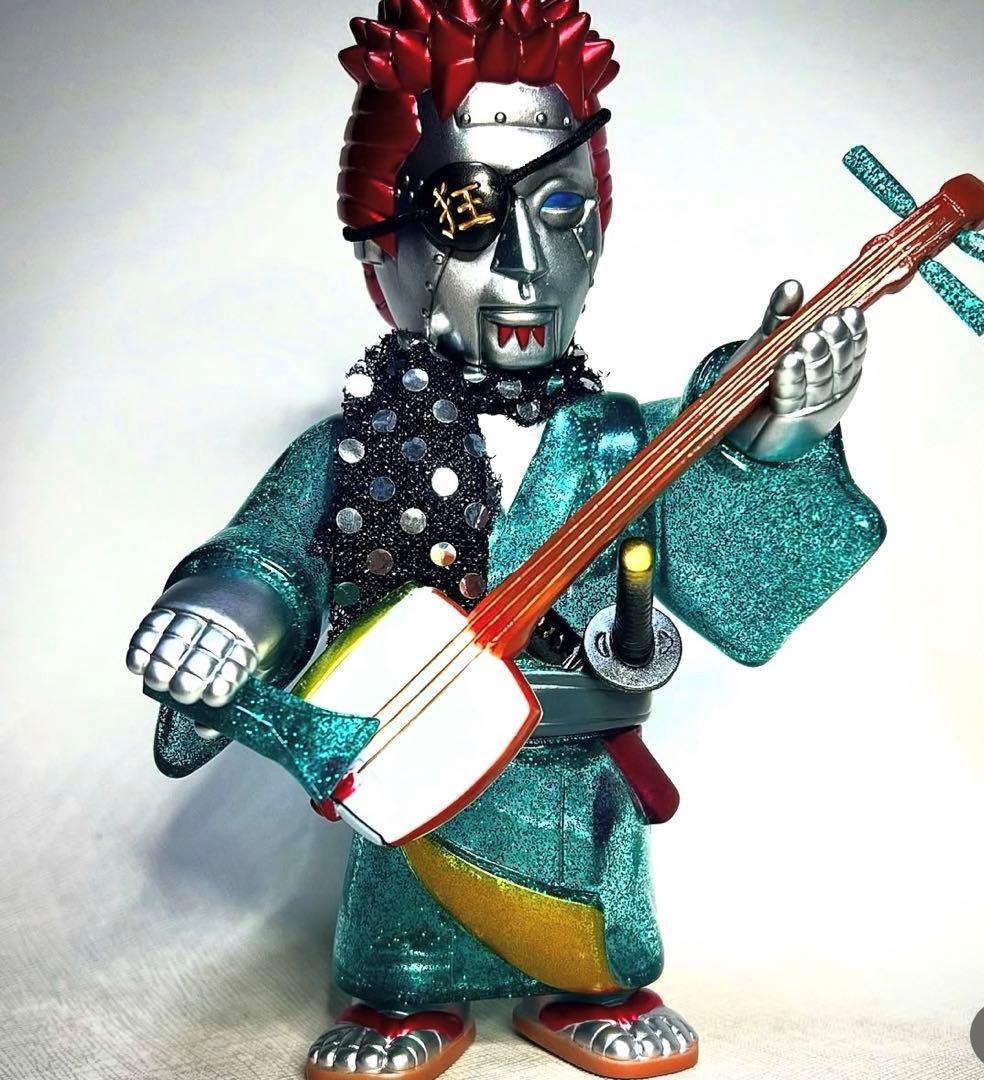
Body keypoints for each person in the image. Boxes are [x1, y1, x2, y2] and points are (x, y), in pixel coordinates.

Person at [126, 2, 884, 1076]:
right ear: (381, 257)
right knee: (404, 917)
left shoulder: (618, 442)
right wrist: (219, 619)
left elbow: (722, 532)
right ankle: (406, 999)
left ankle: (591, 990)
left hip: (577, 772)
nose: (529, 266)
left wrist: (777, 434)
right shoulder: (354, 449)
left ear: (599, 240)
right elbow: (270, 558)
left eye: (562, 209)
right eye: (472, 217)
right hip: (412, 778)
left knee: (599, 928)